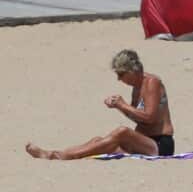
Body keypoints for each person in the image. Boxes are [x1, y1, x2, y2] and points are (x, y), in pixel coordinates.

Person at [25, 50, 176, 160]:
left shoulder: (152, 83)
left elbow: (149, 117)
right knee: (98, 141)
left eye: (121, 74)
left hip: (160, 144)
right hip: (142, 142)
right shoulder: (136, 88)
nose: (118, 79)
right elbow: (139, 119)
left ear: (132, 71)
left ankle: (57, 156)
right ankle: (55, 152)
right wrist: (118, 106)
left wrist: (123, 105)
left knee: (121, 131)